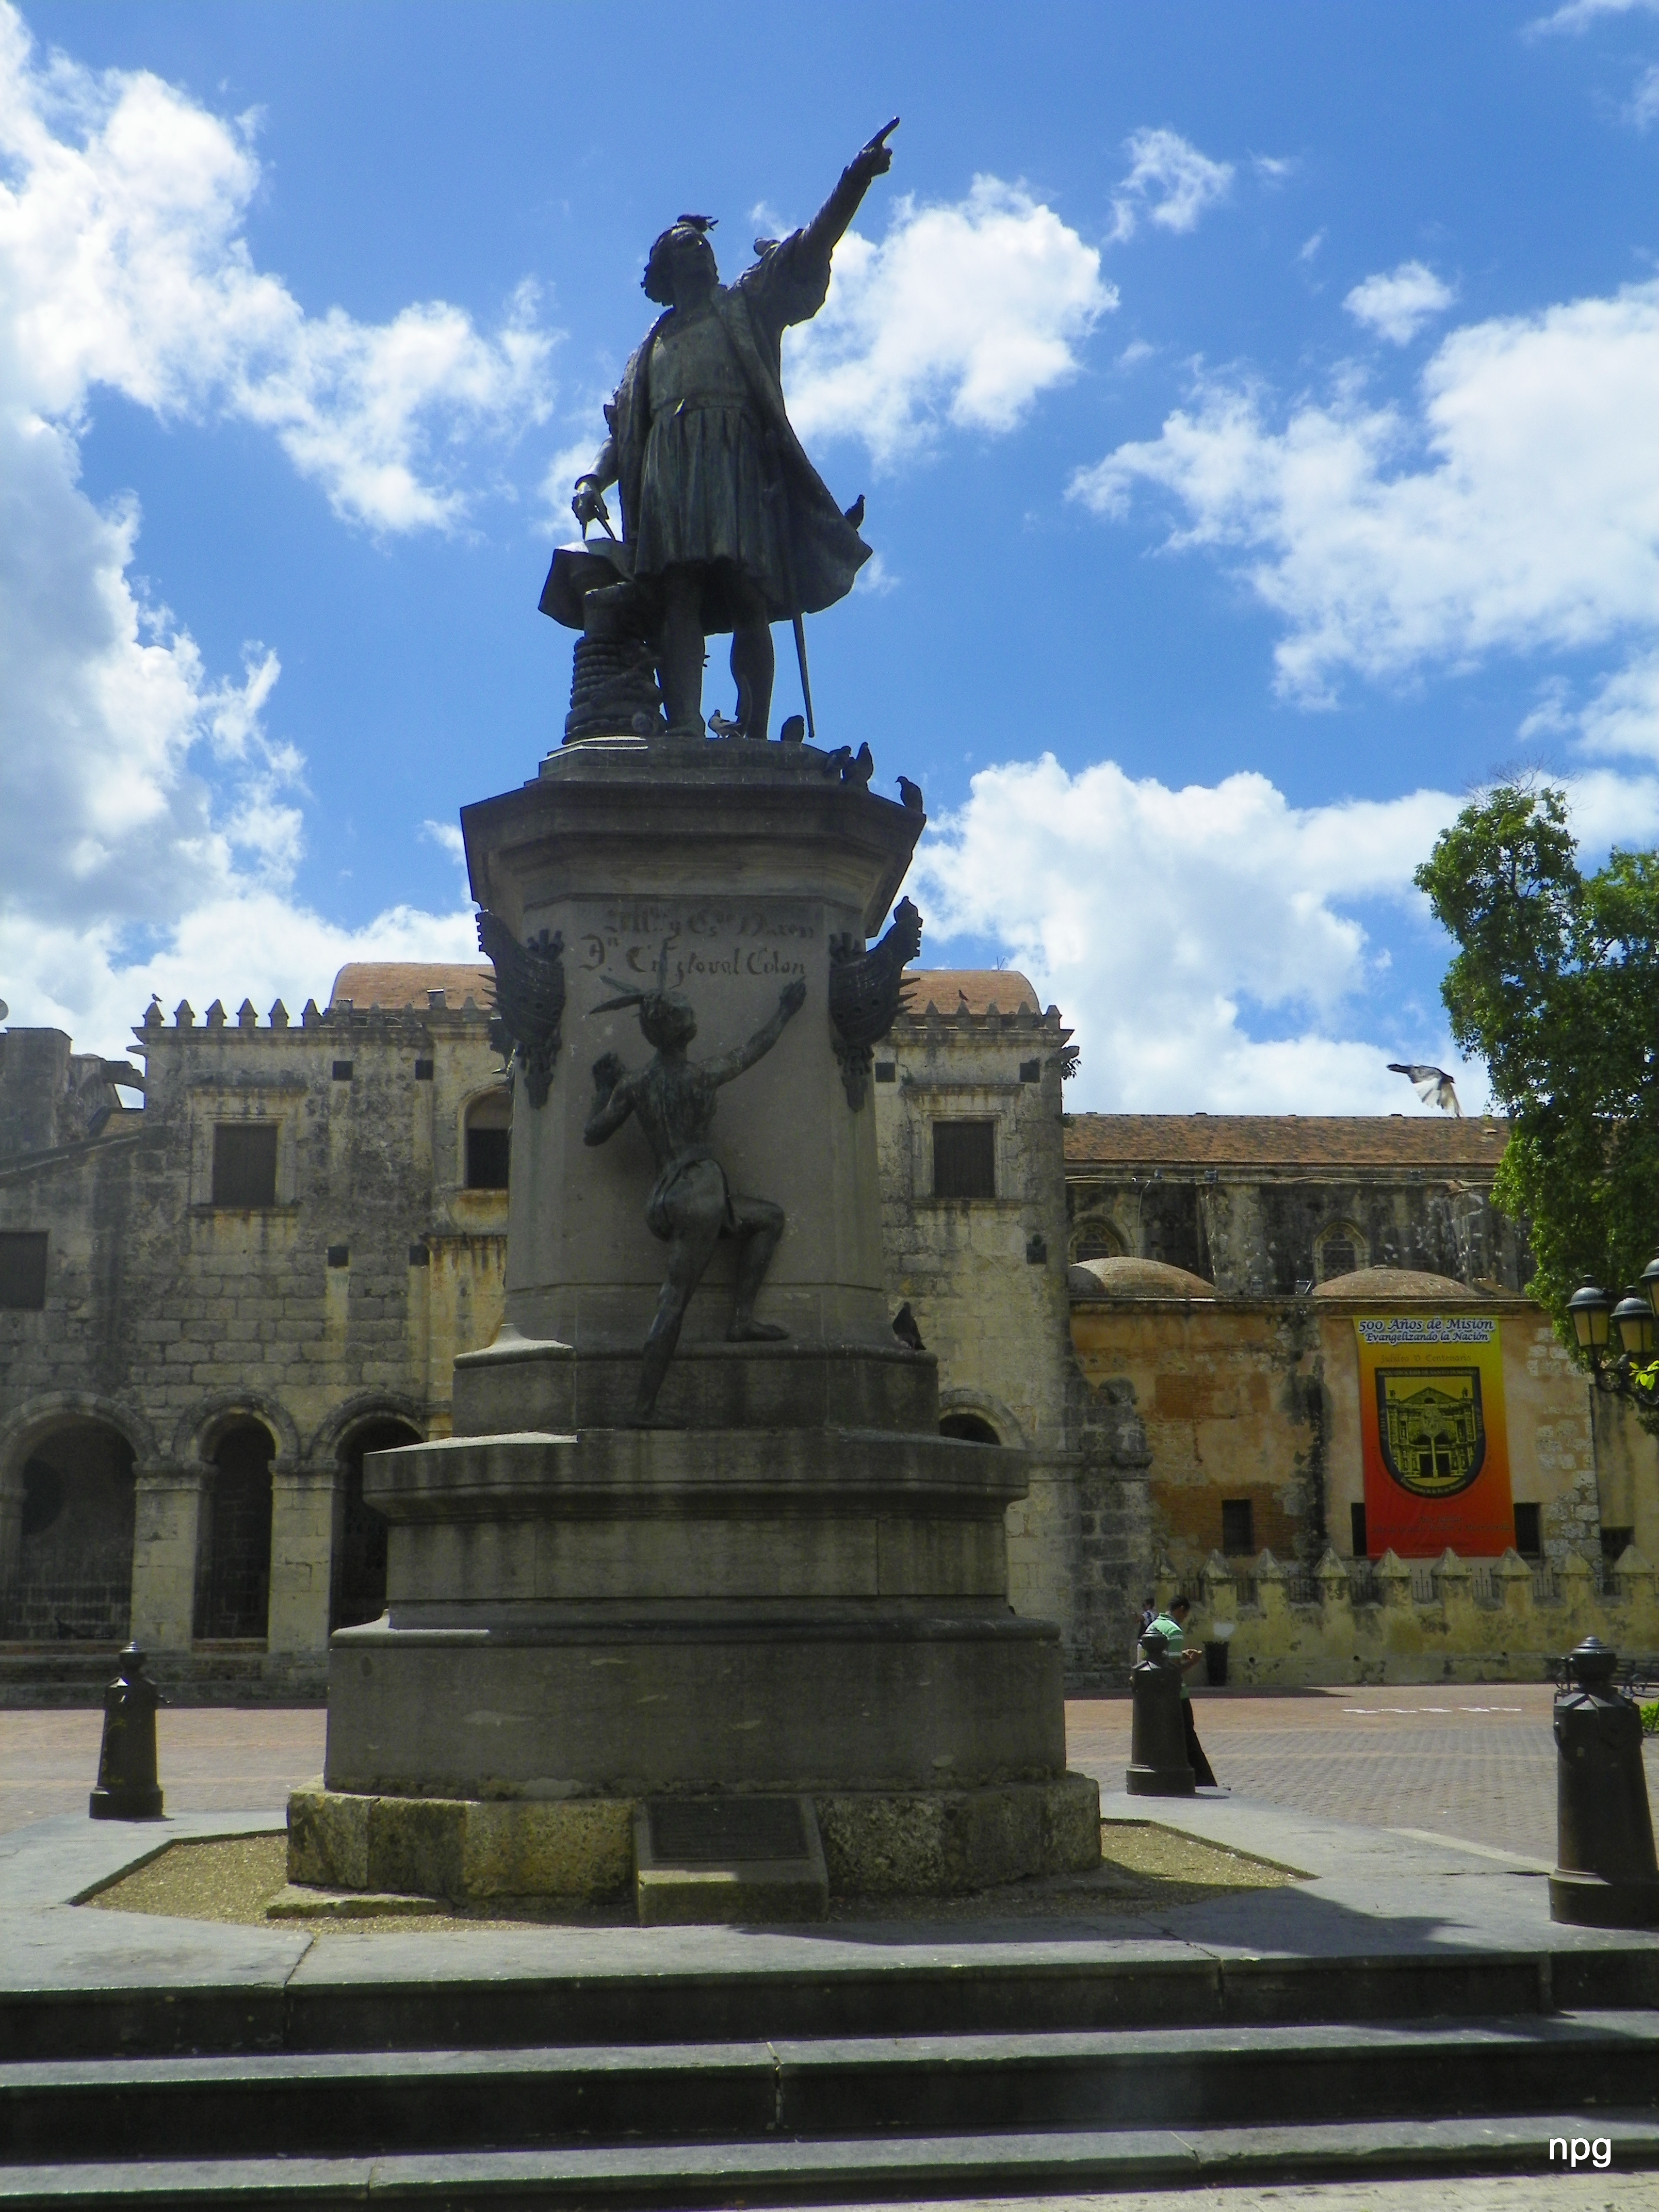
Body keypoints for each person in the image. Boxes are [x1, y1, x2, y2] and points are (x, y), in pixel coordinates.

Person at [570, 124, 897, 739]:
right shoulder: (647, 353)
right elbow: (625, 435)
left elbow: (808, 249)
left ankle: (753, 728)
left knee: (750, 592)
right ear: (665, 268)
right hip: (669, 468)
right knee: (680, 594)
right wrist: (594, 478)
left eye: (704, 244)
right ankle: (686, 724)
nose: (702, 251)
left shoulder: (746, 305)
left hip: (735, 457)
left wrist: (853, 181)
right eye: (687, 246)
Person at [583, 972, 806, 1423]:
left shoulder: (636, 1083)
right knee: (674, 1300)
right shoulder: (700, 1076)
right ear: (684, 1030)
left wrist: (604, 1089)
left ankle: (741, 1320)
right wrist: (785, 1010)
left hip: (669, 1193)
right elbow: (754, 1048)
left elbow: (593, 1134)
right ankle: (643, 1408)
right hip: (699, 1191)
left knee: (768, 1219)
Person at [1145, 1593, 1219, 1790]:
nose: (1184, 1620)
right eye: (1185, 1615)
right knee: (1188, 1736)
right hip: (1177, 1695)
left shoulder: (1153, 1627)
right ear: (1181, 1610)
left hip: (1155, 1695)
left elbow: (1159, 1659)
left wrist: (1181, 1654)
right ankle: (1205, 1781)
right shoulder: (1175, 1631)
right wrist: (1192, 1663)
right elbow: (1174, 1670)